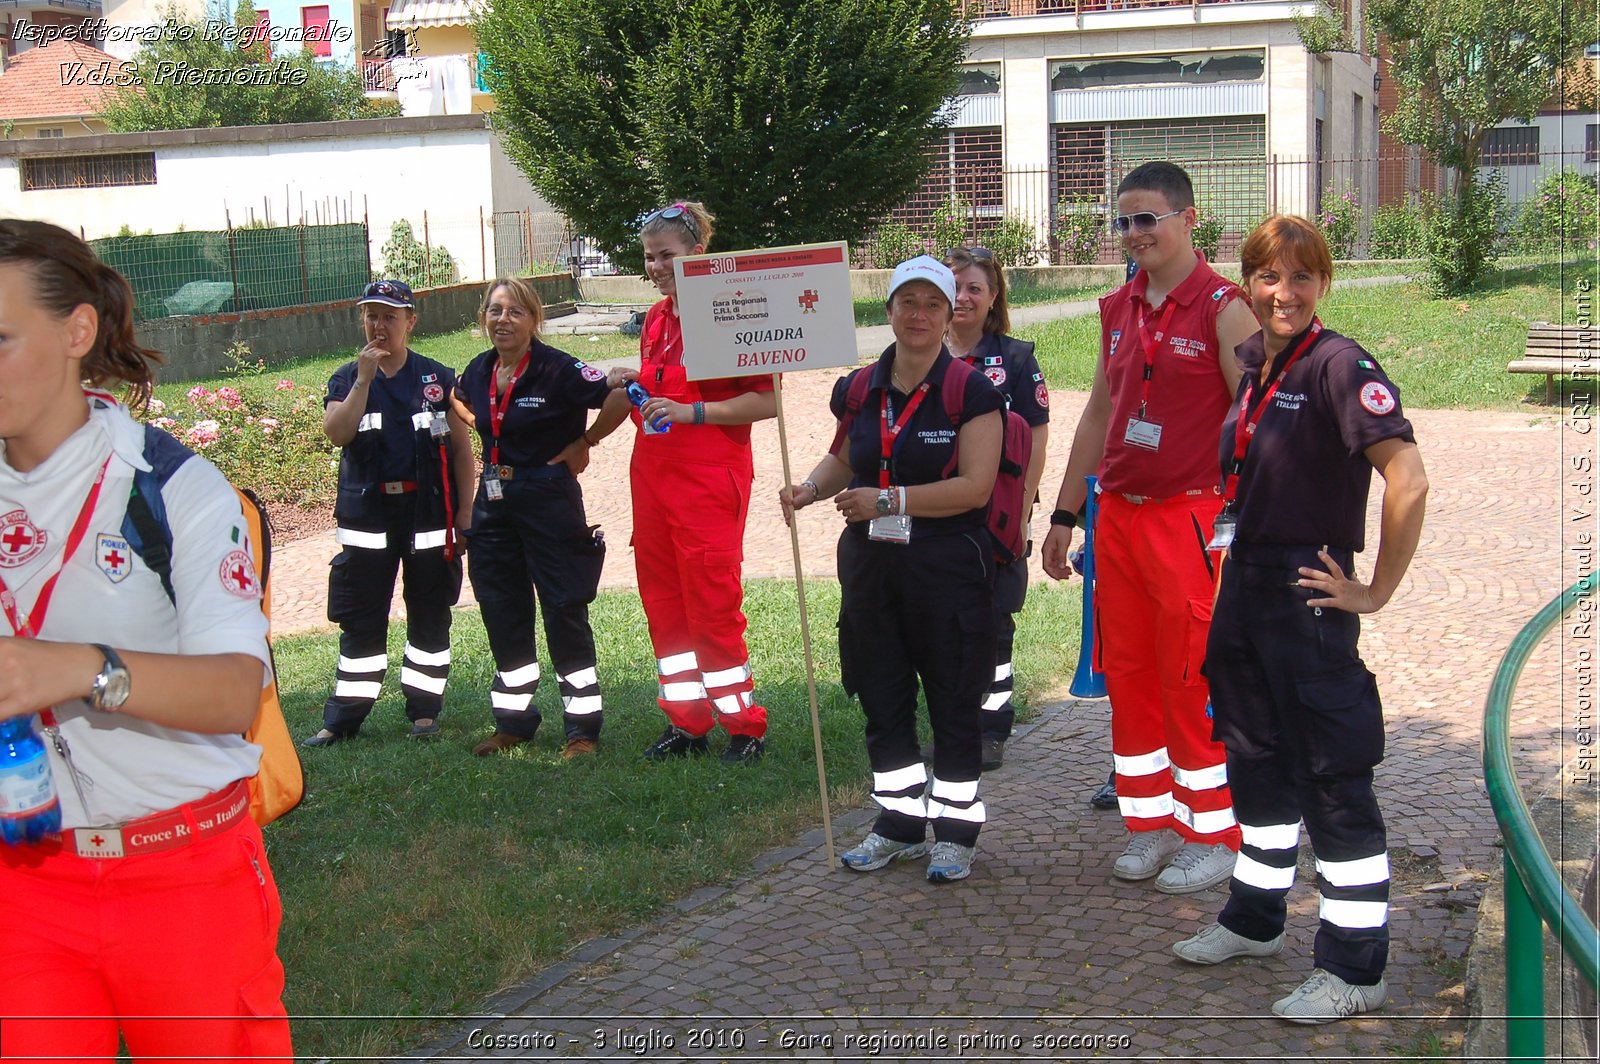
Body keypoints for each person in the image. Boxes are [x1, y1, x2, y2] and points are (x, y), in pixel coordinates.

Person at [0, 219, 292, 1059]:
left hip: (186, 873)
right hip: (25, 880)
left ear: (76, 332)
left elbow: (237, 691)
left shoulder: (170, 489)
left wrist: (82, 670)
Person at [1172, 215, 1427, 1023]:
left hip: (1305, 591)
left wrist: (1374, 590)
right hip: (1244, 585)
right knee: (1255, 762)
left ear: (1324, 283)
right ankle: (1254, 919)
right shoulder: (1259, 365)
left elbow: (1409, 478)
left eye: (1302, 276)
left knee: (1330, 775)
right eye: (1270, 277)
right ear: (1248, 283)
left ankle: (1355, 969)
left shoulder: (1339, 364)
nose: (1285, 293)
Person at [1040, 161, 1258, 894]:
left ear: (1189, 221)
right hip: (1120, 519)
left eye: (1148, 219)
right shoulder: (1117, 307)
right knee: (1129, 675)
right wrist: (1066, 514)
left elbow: (1255, 424)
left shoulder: (1225, 308)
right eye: (1123, 221)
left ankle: (1216, 832)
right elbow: (1098, 417)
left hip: (1191, 517)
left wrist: (1247, 524)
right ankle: (1153, 823)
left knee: (1190, 675)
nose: (1134, 234)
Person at [781, 255, 1004, 883]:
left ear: (949, 313)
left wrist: (891, 500)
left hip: (946, 567)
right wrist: (807, 489)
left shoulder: (972, 390)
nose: (920, 315)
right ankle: (899, 823)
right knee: (881, 696)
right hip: (872, 566)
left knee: (954, 700)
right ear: (890, 311)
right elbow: (842, 462)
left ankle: (956, 833)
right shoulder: (859, 387)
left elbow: (977, 488)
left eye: (933, 304)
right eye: (908, 302)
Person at [617, 201, 777, 764]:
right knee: (663, 601)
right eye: (649, 257)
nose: (656, 266)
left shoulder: (729, 314)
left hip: (709, 481)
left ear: (696, 255)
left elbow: (767, 399)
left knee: (712, 603)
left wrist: (693, 414)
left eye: (667, 255)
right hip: (654, 480)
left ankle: (743, 725)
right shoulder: (658, 319)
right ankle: (687, 722)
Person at [454, 278, 634, 758]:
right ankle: (513, 721)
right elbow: (457, 399)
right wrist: (488, 438)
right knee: (501, 606)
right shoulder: (479, 369)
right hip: (495, 498)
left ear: (535, 319)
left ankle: (582, 729)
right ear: (483, 319)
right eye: (495, 311)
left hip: (547, 495)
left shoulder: (558, 369)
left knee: (562, 606)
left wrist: (586, 441)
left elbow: (622, 391)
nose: (503, 320)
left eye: (516, 311)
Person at [304, 279, 475, 747]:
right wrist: (363, 379)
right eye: (371, 316)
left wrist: (464, 514)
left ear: (410, 322)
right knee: (361, 619)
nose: (379, 326)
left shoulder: (438, 378)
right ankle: (343, 719)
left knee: (429, 614)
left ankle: (424, 712)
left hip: (427, 517)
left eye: (390, 317)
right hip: (368, 521)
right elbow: (337, 434)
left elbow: (462, 452)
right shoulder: (345, 377)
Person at [939, 246, 1049, 772]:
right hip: (936, 513)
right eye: (954, 285)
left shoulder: (1016, 358)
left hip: (997, 516)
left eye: (974, 288)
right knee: (940, 625)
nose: (962, 297)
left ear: (993, 296)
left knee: (992, 626)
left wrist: (1024, 513)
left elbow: (1038, 444)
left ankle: (991, 728)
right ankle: (952, 726)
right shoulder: (920, 352)